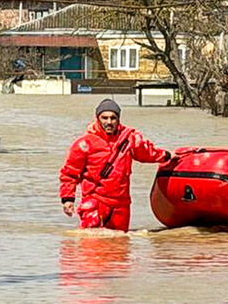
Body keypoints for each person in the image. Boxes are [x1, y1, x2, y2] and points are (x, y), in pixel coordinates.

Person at [59, 98, 174, 231]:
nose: (109, 122)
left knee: (120, 246)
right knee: (91, 246)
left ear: (118, 119)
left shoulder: (129, 138)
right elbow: (69, 173)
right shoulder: (84, 143)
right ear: (97, 118)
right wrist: (67, 199)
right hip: (95, 202)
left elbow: (147, 153)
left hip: (121, 205)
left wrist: (168, 156)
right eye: (105, 118)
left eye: (113, 118)